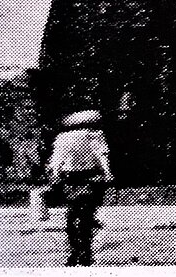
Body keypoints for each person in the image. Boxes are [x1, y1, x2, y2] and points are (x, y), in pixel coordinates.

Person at [46, 110, 112, 267]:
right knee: (88, 213)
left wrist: (55, 176)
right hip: (92, 178)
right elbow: (102, 155)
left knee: (72, 214)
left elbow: (56, 161)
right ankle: (86, 250)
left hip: (71, 180)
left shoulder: (62, 138)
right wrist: (108, 173)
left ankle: (75, 251)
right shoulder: (95, 135)